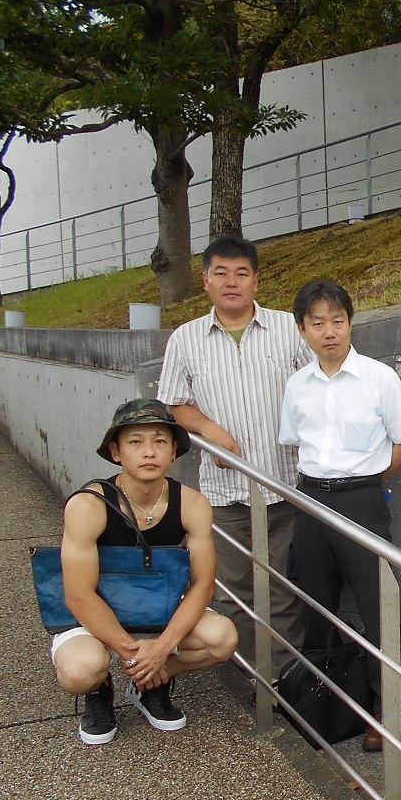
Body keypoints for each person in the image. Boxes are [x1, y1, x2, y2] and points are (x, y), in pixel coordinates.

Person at [157, 234, 310, 676]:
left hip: (284, 485)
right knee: (233, 592)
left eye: (241, 273)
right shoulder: (186, 339)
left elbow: (322, 383)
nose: (231, 282)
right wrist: (207, 428)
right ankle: (245, 680)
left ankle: (284, 684)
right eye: (220, 273)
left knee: (282, 592)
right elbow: (174, 402)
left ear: (256, 282)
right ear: (205, 282)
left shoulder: (289, 329)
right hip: (224, 493)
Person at [279, 279, 401, 753]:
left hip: (362, 499)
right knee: (316, 603)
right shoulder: (297, 385)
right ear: (302, 330)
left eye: (338, 321)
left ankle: (386, 710)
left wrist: (372, 483)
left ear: (350, 323)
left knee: (379, 603)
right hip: (311, 499)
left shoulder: (380, 378)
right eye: (317, 323)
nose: (330, 332)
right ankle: (322, 700)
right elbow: (296, 443)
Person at [52, 400, 239, 745]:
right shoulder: (88, 505)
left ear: (173, 453)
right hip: (95, 615)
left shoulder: (193, 504)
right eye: (136, 442)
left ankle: (152, 680)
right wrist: (133, 653)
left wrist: (162, 649)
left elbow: (202, 585)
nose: (149, 452)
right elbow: (78, 594)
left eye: (160, 441)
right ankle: (100, 688)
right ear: (116, 452)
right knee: (80, 672)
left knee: (223, 638)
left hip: (157, 608)